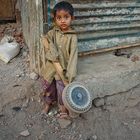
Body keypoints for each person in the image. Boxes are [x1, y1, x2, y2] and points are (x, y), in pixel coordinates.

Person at [40, 1, 78, 119]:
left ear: (72, 18)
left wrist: (69, 76)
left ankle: (63, 108)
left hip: (63, 71)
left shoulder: (73, 37)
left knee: (62, 89)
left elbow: (73, 58)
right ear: (55, 19)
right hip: (51, 68)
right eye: (59, 18)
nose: (62, 21)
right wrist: (45, 41)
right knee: (48, 88)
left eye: (66, 17)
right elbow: (46, 43)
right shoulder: (52, 33)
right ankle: (48, 103)